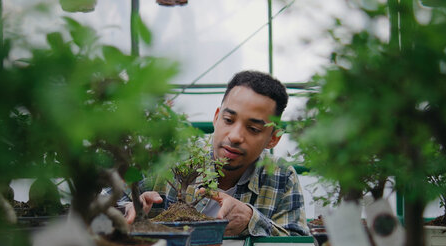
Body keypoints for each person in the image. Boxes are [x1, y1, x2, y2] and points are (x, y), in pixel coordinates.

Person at [125, 70, 309, 237]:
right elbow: (109, 200)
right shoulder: (170, 158)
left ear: (273, 138)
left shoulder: (282, 176)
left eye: (253, 129)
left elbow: (297, 240)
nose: (235, 136)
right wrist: (128, 208)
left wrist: (251, 220)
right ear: (216, 117)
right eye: (228, 120)